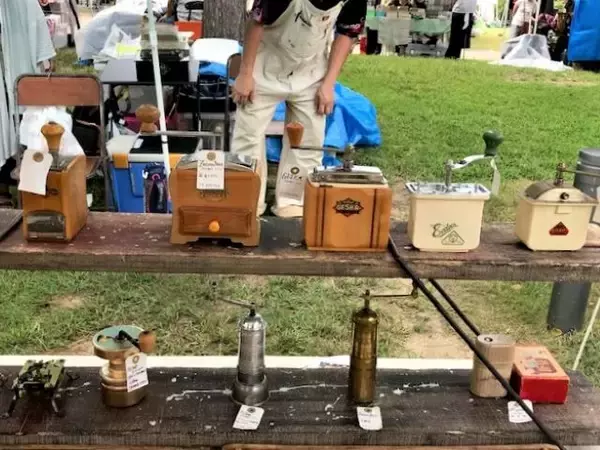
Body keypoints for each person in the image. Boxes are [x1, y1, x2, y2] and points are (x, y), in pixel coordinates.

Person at [231, 0, 367, 218]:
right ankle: (247, 203)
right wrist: (245, 74)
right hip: (264, 67)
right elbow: (256, 23)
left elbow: (347, 34)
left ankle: (292, 202)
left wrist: (329, 84)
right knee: (248, 136)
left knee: (308, 141)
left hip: (311, 72)